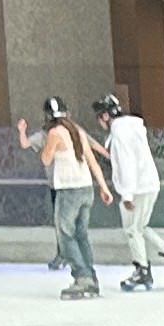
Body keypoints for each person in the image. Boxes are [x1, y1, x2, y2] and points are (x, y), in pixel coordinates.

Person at [100, 92, 164, 291]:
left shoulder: (119, 133)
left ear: (105, 116)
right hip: (148, 183)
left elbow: (127, 164)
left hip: (136, 188)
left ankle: (143, 271)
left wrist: (127, 195)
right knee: (140, 226)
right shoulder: (131, 128)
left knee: (132, 230)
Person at [38, 97, 104, 299]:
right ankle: (90, 276)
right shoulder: (78, 131)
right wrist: (103, 186)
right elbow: (92, 161)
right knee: (81, 234)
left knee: (66, 235)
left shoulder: (55, 133)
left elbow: (45, 159)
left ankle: (82, 277)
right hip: (86, 189)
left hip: (68, 191)